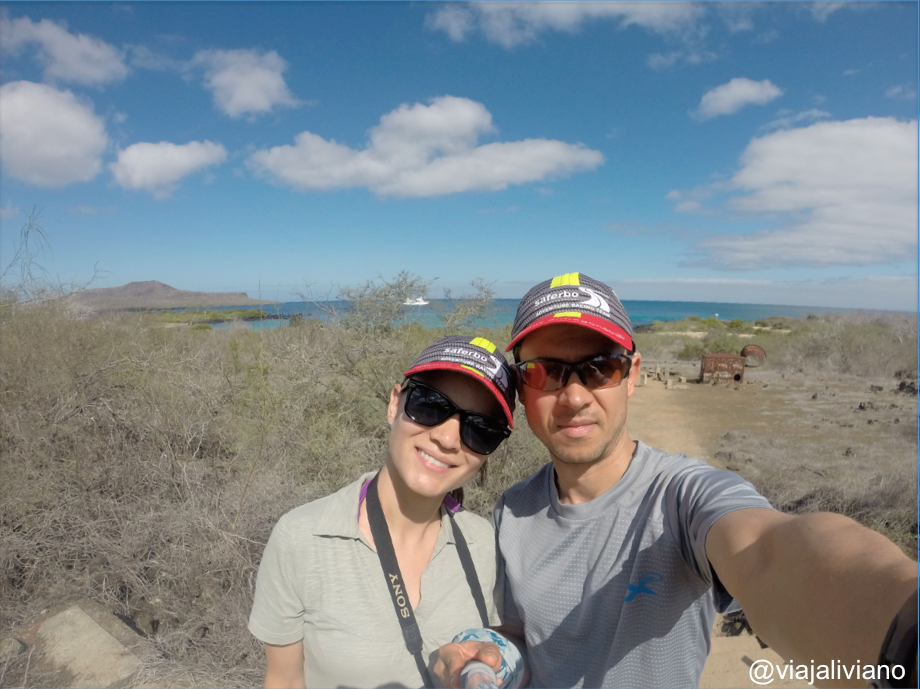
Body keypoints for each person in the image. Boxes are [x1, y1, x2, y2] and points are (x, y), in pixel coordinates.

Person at [435, 272, 918, 688]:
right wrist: (495, 654)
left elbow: (770, 554)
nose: (575, 397)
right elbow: (528, 636)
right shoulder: (513, 508)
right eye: (546, 372)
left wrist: (904, 636)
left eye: (600, 369)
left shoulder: (683, 498)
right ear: (522, 389)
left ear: (633, 375)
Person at [249, 335, 516, 688]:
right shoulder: (302, 539)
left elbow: (508, 646)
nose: (448, 439)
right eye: (430, 406)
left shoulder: (485, 544)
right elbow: (284, 680)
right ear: (394, 404)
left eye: (480, 429)